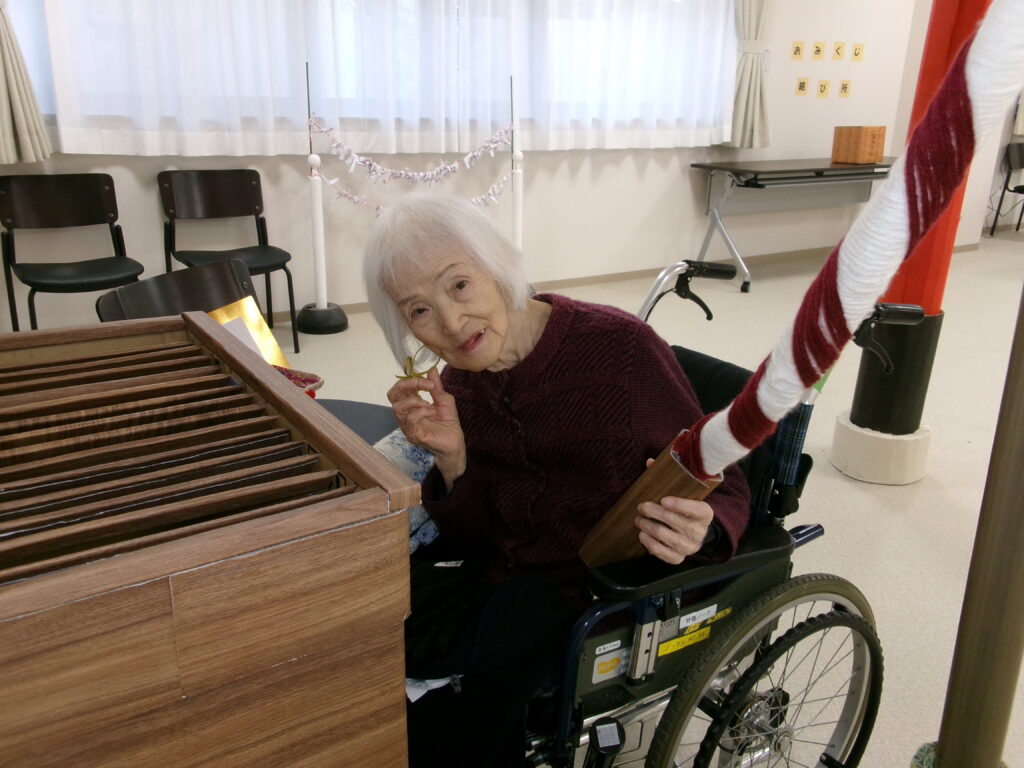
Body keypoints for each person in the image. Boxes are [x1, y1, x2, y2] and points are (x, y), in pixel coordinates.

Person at [363, 193, 751, 768]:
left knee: (455, 708)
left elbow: (727, 483)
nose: (450, 322)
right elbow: (478, 541)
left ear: (497, 265)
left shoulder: (617, 352)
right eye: (419, 310)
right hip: (506, 583)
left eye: (459, 285)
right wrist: (453, 459)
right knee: (370, 610)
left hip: (601, 592)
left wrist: (705, 528)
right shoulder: (461, 387)